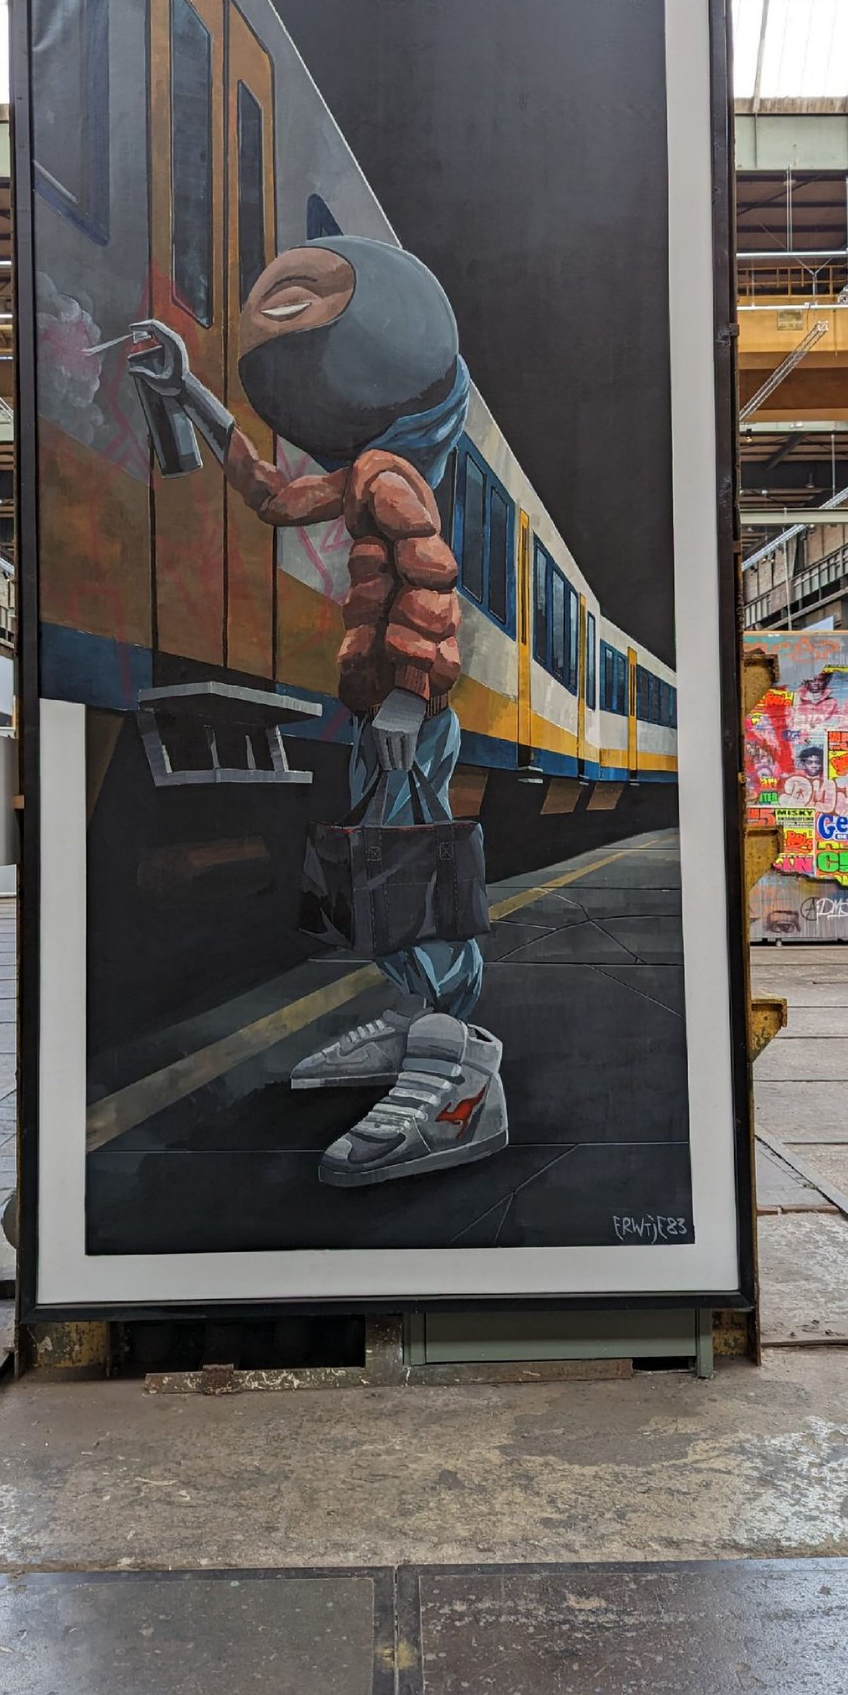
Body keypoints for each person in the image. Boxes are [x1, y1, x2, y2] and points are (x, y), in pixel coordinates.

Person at [132, 238, 505, 1189]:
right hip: (388, 704)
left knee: (412, 863)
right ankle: (420, 1025)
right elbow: (272, 496)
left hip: (406, 709)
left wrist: (411, 701)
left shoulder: (389, 479)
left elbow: (431, 586)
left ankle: (460, 1076)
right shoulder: (369, 468)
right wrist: (194, 398)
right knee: (389, 862)